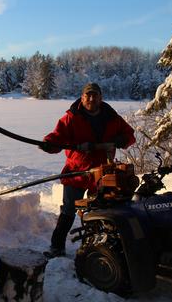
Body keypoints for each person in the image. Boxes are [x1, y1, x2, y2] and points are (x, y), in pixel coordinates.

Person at [39, 82, 135, 258]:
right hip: (76, 172)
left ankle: (94, 249)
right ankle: (57, 247)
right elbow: (57, 137)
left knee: (98, 212)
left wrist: (121, 140)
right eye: (87, 95)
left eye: (95, 95)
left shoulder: (112, 118)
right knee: (68, 210)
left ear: (100, 97)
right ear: (82, 97)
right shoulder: (71, 117)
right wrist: (48, 143)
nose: (91, 98)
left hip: (102, 174)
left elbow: (130, 135)